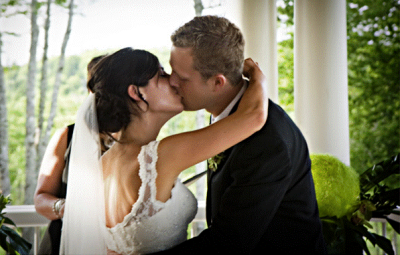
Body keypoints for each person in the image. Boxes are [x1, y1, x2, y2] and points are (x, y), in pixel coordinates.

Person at [59, 47, 268, 254]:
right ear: (137, 93)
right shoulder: (160, 156)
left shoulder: (101, 166)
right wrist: (257, 78)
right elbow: (253, 117)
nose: (174, 81)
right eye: (161, 75)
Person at [154, 15, 327, 254]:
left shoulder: (268, 143)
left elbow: (228, 244)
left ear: (217, 83)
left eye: (182, 77)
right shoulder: (228, 113)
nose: (171, 82)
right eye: (172, 70)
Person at [34, 55, 109, 255]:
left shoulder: (139, 139)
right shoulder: (66, 137)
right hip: (62, 242)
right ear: (91, 90)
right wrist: (65, 207)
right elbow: (41, 198)